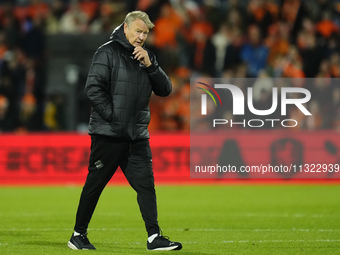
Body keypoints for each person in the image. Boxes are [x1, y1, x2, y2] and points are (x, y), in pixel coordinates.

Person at [67, 11, 182, 251]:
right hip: (109, 135)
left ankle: (154, 237)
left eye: (145, 33)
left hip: (137, 136)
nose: (141, 37)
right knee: (95, 185)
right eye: (138, 31)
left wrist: (151, 65)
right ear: (126, 28)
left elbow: (166, 89)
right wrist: (113, 117)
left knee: (146, 186)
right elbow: (92, 89)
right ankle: (78, 235)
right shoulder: (106, 52)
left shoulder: (146, 57)